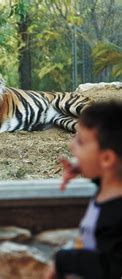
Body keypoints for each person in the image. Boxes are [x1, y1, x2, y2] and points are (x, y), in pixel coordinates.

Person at [45, 101, 122, 279]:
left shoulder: (115, 215)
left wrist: (61, 260)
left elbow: (105, 265)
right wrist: (80, 166)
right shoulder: (109, 186)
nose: (72, 145)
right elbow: (103, 174)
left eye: (80, 141)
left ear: (107, 159)